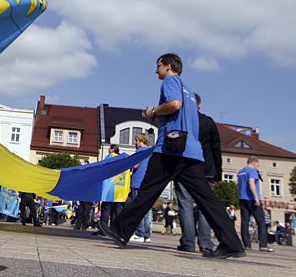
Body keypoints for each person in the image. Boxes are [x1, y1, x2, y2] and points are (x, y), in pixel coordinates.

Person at [100, 53, 245, 259]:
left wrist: (153, 111)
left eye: (158, 65)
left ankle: (120, 231)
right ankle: (232, 243)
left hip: (170, 148)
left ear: (168, 66)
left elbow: (174, 104)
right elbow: (187, 116)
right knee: (206, 198)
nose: (156, 70)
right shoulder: (190, 93)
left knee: (147, 191)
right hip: (191, 152)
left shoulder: (170, 80)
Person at [175, 92, 220, 253]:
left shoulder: (182, 122)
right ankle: (206, 243)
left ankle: (188, 242)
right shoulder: (208, 122)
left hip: (184, 169)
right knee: (204, 207)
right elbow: (216, 149)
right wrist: (218, 173)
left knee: (185, 204)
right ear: (199, 105)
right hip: (206, 171)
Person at [238, 157, 274, 252]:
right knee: (261, 222)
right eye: (258, 165)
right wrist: (256, 198)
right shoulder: (252, 171)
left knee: (244, 222)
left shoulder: (240, 172)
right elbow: (251, 183)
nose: (258, 167)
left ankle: (247, 245)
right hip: (252, 199)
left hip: (242, 199)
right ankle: (263, 245)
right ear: (254, 163)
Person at [129, 133, 153, 243]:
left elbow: (135, 165)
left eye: (136, 140)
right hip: (146, 182)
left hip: (137, 182)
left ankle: (139, 233)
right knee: (146, 210)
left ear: (141, 140)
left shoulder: (139, 151)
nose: (135, 143)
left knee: (137, 209)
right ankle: (147, 235)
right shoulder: (150, 152)